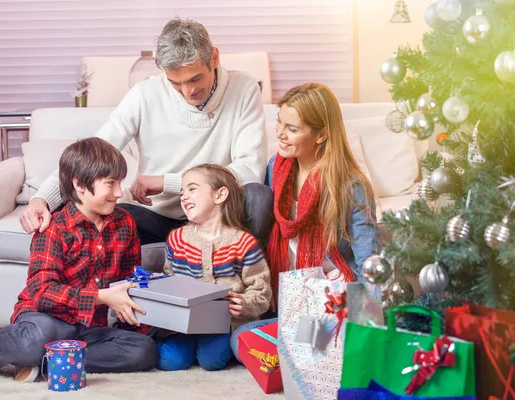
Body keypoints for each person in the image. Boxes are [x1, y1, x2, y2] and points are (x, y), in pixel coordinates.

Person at [19, 18, 274, 247]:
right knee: (91, 211)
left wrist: (169, 182)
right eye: (176, 83)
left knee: (258, 196)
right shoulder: (145, 94)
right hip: (155, 217)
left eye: (195, 79)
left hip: (218, 218)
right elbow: (91, 155)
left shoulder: (243, 88)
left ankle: (244, 281)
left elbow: (250, 169)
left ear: (215, 58)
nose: (187, 92)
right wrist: (41, 199)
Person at [0, 138, 157, 380]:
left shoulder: (124, 223)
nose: (119, 193)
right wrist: (101, 297)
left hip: (91, 328)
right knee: (33, 341)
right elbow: (42, 292)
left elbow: (128, 281)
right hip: (46, 320)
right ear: (80, 184)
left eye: (120, 183)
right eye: (110, 184)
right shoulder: (54, 228)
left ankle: (49, 362)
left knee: (143, 350)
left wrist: (141, 323)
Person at [230, 82, 381, 358]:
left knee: (291, 345)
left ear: (321, 134)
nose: (280, 133)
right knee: (240, 342)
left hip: (330, 292)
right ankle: (309, 350)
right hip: (287, 290)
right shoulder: (276, 167)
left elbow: (368, 262)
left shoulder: (351, 184)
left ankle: (320, 349)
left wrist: (367, 320)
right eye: (279, 122)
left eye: (292, 128)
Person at [157, 164, 272, 371]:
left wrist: (245, 304)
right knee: (171, 361)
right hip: (185, 325)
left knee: (212, 361)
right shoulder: (177, 239)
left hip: (224, 324)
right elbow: (169, 279)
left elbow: (262, 293)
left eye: (192, 189)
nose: (183, 196)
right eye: (182, 192)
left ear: (220, 195)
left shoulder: (243, 242)